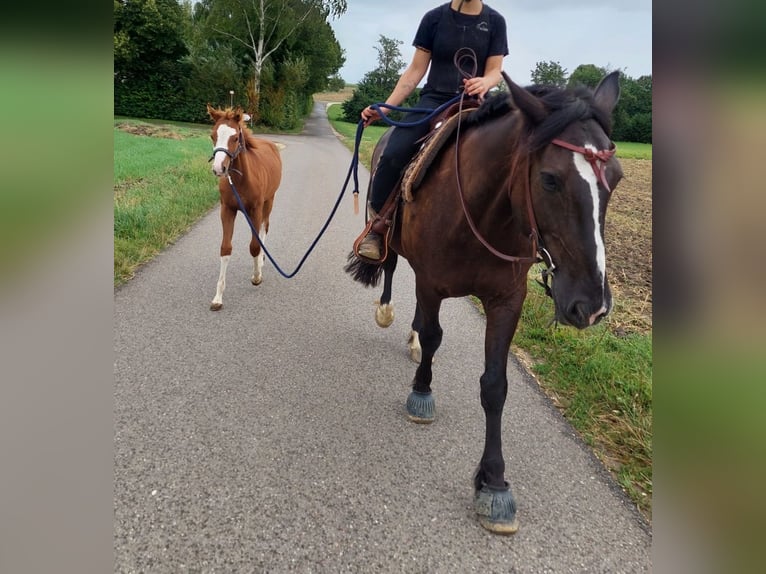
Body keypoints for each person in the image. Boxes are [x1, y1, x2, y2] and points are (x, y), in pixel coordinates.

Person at [355, 0, 509, 261]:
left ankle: (516, 238)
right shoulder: (434, 19)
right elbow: (415, 71)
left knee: (513, 156)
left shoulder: (495, 22)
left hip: (476, 102)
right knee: (393, 154)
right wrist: (386, 109)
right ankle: (377, 229)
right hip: (434, 101)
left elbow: (495, 71)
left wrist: (484, 81)